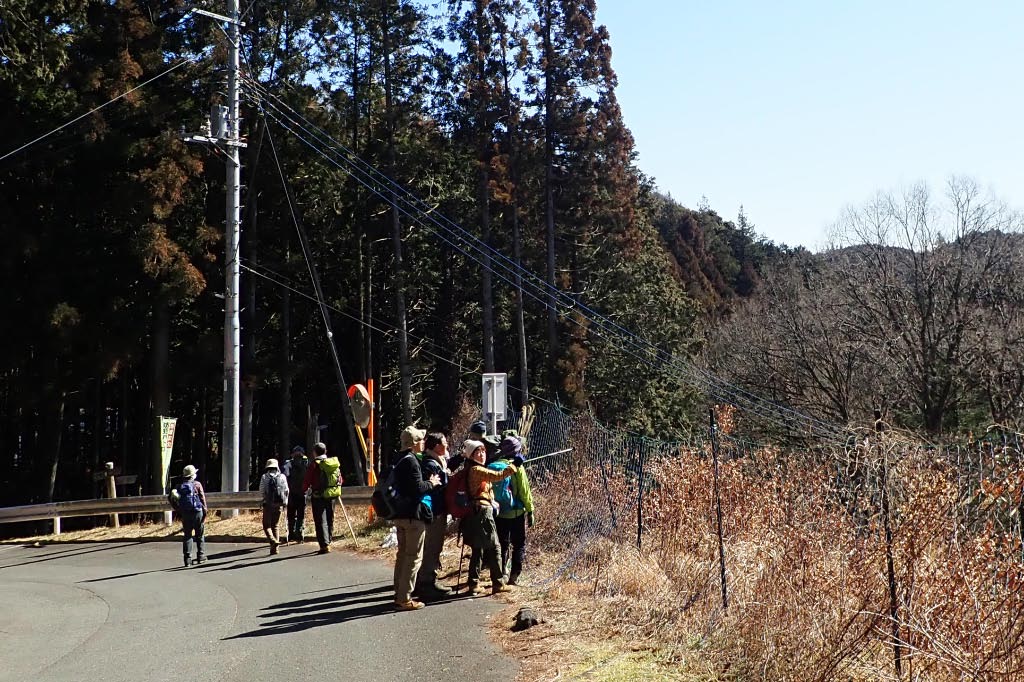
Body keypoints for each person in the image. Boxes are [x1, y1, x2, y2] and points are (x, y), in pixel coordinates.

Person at [462, 439, 522, 595]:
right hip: (482, 513)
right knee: (495, 547)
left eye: (483, 451)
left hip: (477, 512)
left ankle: (473, 584)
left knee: (479, 549)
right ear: (470, 455)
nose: (482, 454)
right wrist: (514, 466)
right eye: (478, 452)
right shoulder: (476, 470)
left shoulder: (472, 468)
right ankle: (498, 583)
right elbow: (498, 475)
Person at [392, 426, 441, 611]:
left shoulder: (397, 458)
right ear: (413, 443)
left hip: (399, 514)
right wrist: (432, 483)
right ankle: (405, 598)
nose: (423, 442)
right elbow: (417, 488)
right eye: (420, 439)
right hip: (413, 516)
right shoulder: (411, 461)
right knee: (413, 558)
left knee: (402, 555)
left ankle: (399, 592)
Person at [492, 435, 535, 585]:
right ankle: (514, 575)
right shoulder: (517, 467)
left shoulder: (495, 464)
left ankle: (500, 573)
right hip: (516, 512)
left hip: (498, 512)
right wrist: (530, 510)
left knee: (502, 544)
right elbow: (524, 491)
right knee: (519, 544)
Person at [415, 431, 453, 600]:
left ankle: (421, 581)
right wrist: (448, 475)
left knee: (430, 546)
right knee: (432, 547)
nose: (447, 446)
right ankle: (427, 583)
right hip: (435, 512)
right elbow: (440, 485)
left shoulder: (435, 461)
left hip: (434, 511)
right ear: (437, 446)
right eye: (444, 443)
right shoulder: (431, 464)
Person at [302, 442, 343, 554]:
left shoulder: (315, 464)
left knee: (320, 520)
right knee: (330, 518)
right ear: (326, 451)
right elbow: (340, 479)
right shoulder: (333, 463)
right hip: (332, 494)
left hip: (318, 495)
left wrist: (304, 490)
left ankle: (324, 545)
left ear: (314, 453)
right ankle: (328, 541)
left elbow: (307, 480)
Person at [177, 464, 208, 567]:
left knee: (187, 536)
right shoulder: (197, 485)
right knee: (199, 534)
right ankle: (201, 556)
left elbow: (172, 499)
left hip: (186, 513)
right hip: (197, 512)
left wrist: (179, 510)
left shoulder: (180, 487)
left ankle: (187, 559)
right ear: (192, 475)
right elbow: (202, 499)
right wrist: (205, 511)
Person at [259, 458, 289, 555]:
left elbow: (262, 491)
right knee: (275, 526)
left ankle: (272, 541)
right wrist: (285, 502)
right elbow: (286, 490)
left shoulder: (264, 477)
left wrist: (264, 499)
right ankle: (275, 549)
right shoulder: (282, 477)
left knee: (266, 525)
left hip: (268, 504)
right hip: (279, 504)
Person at [280, 445, 309, 543]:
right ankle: (299, 535)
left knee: (291, 515)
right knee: (301, 515)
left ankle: (291, 534)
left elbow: (284, 477)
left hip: (291, 493)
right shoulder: (307, 463)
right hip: (303, 493)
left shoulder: (288, 464)